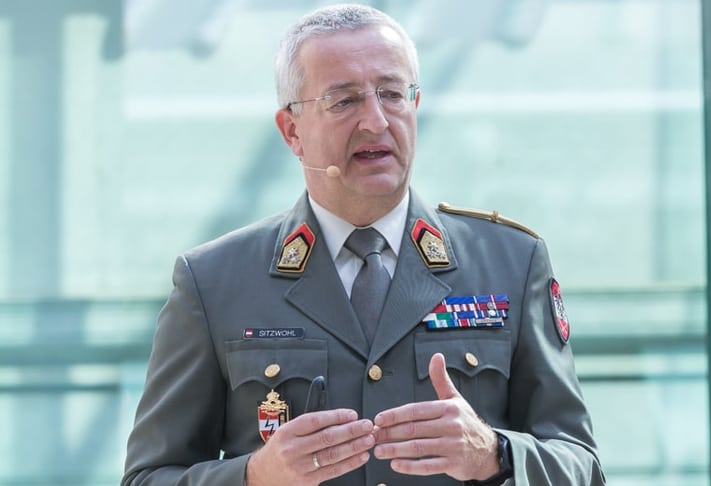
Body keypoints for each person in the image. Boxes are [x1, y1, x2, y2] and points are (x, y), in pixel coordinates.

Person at [121, 4, 605, 486]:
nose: (376, 121)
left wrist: (495, 454)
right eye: (344, 101)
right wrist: (253, 476)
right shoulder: (214, 282)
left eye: (392, 94)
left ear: (415, 106)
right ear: (292, 131)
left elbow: (582, 467)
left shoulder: (511, 264)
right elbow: (149, 477)